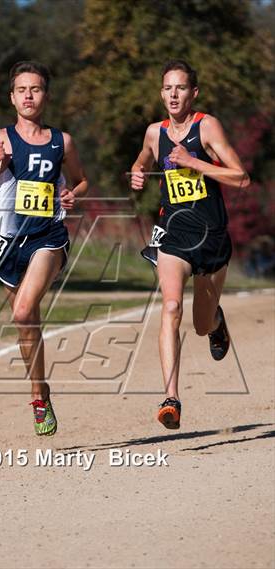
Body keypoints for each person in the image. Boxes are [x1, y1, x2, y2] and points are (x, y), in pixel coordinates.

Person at [0, 61, 88, 435]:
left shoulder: (61, 141)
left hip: (49, 238)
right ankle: (40, 392)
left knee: (22, 312)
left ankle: (38, 394)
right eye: (22, 90)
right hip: (8, 243)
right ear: (12, 97)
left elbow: (82, 182)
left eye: (35, 89)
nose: (29, 96)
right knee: (27, 326)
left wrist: (72, 195)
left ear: (45, 96)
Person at [130, 59, 250, 429]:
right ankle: (171, 398)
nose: (173, 94)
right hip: (174, 235)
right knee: (170, 307)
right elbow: (144, 158)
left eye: (180, 87)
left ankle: (216, 323)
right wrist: (136, 171)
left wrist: (196, 163)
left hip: (212, 237)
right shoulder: (155, 132)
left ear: (193, 93)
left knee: (200, 324)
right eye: (167, 88)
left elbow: (241, 177)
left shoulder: (207, 126)